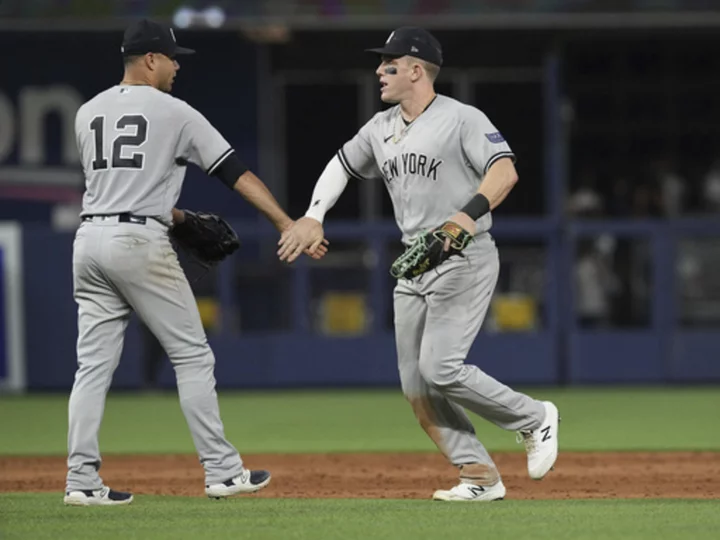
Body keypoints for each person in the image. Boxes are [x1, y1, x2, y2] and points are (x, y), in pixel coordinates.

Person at [278, 27, 560, 502]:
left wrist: (466, 216)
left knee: (441, 367)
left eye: (388, 63)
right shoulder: (380, 126)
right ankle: (479, 476)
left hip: (462, 256)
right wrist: (313, 215)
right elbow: (342, 164)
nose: (378, 71)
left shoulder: (461, 118)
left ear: (415, 69)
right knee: (417, 386)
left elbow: (504, 171)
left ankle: (535, 418)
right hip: (415, 263)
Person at [65, 19, 325, 506]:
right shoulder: (175, 112)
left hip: (89, 239)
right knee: (192, 355)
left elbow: (120, 188)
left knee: (92, 367)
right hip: (138, 241)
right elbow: (235, 173)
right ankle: (223, 472)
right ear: (148, 60)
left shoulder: (86, 112)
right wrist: (286, 223)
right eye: (170, 56)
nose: (177, 64)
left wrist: (177, 215)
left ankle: (80, 480)